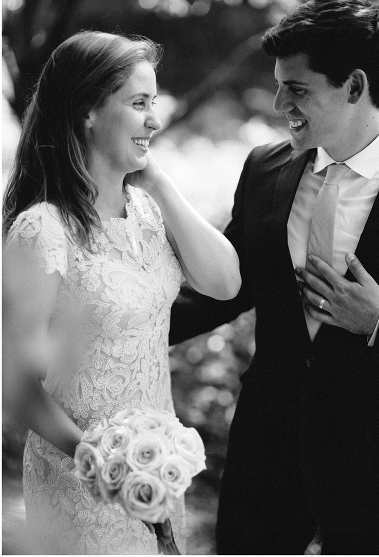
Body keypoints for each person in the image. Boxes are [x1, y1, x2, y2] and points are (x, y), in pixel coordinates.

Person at [2, 30, 241, 554]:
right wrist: (104, 461)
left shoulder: (150, 215)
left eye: (153, 103)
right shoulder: (42, 230)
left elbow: (225, 284)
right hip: (80, 479)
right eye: (138, 104)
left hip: (154, 474)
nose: (154, 120)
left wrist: (158, 182)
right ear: (88, 111)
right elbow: (16, 386)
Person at [168, 0, 379, 555]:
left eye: (298, 88)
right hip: (268, 440)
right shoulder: (265, 167)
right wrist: (122, 328)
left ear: (356, 86)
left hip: (367, 454)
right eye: (279, 83)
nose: (278, 101)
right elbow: (229, 287)